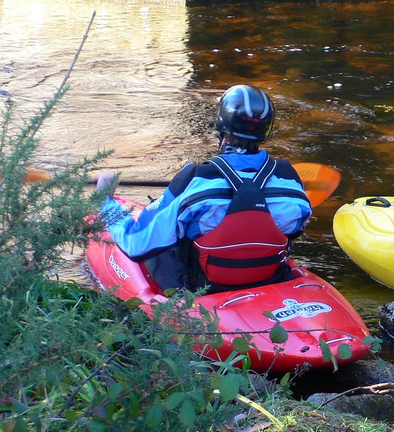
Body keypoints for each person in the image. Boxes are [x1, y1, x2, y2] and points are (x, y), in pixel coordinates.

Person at [98, 84, 312, 293]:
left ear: (221, 128)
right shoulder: (289, 179)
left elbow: (136, 244)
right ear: (266, 131)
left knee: (164, 239)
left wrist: (105, 201)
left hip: (203, 290)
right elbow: (293, 231)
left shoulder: (194, 178)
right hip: (267, 278)